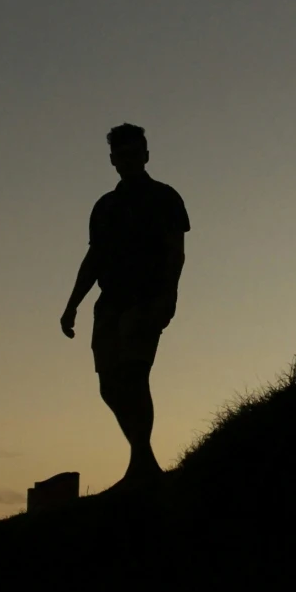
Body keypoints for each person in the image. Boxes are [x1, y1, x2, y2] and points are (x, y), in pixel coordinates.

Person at [60, 123, 189, 487]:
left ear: (146, 155)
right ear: (113, 160)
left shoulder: (165, 197)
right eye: (123, 155)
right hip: (110, 303)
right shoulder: (105, 206)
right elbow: (94, 258)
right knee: (109, 385)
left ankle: (141, 464)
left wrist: (168, 297)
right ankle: (142, 459)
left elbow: (175, 253)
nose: (130, 160)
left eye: (136, 153)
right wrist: (72, 306)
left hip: (146, 299)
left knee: (135, 375)